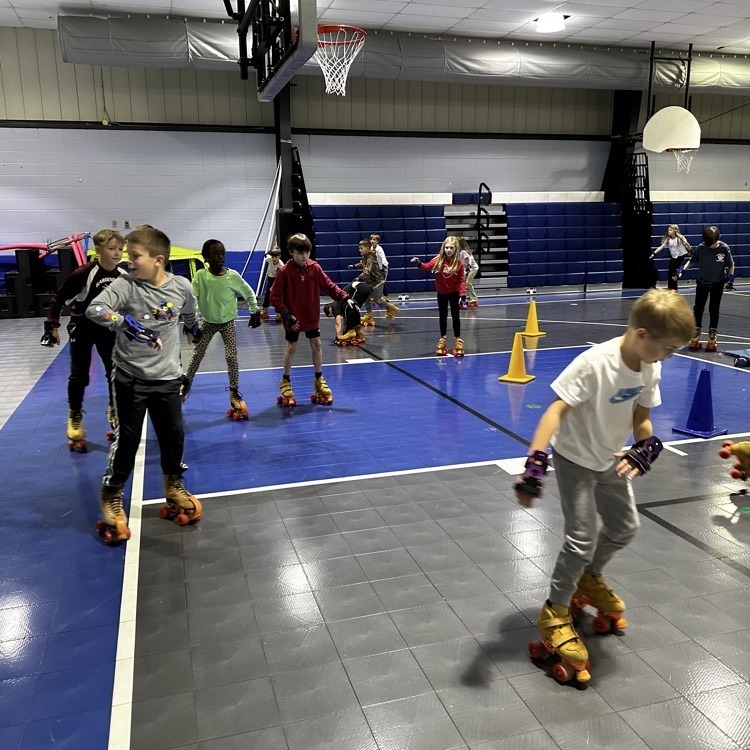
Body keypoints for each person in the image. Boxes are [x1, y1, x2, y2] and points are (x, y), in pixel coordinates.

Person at [515, 289, 694, 684]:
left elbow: (641, 416)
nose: (668, 357)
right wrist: (536, 461)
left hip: (611, 457)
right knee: (579, 538)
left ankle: (588, 578)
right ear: (642, 334)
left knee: (625, 527)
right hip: (575, 458)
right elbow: (554, 410)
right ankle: (555, 610)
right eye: (667, 349)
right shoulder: (595, 364)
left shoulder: (650, 366)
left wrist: (647, 443)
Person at [85, 227, 201, 544]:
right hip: (129, 379)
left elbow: (190, 312)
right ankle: (111, 492)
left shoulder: (181, 287)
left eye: (135, 256)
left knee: (173, 436)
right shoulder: (125, 285)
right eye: (127, 255)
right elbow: (93, 309)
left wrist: (193, 327)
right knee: (128, 440)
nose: (129, 261)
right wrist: (121, 321)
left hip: (166, 379)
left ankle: (173, 484)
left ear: (158, 260)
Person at [41, 228, 127, 450]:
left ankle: (115, 409)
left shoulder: (123, 276)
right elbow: (59, 297)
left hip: (108, 330)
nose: (117, 253)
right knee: (80, 375)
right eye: (111, 249)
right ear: (98, 251)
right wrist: (51, 325)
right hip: (82, 329)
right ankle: (75, 413)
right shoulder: (84, 273)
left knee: (115, 373)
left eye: (120, 249)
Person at [182, 239, 262, 420]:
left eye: (222, 253)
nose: (220, 257)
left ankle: (234, 392)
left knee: (231, 356)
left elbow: (248, 292)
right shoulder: (201, 276)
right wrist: (191, 323)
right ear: (206, 257)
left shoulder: (232, 276)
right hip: (208, 322)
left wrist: (254, 310)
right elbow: (192, 298)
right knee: (197, 354)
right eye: (215, 254)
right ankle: (185, 386)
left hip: (227, 323)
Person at [270, 233, 352, 406]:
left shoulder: (314, 268)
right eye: (300, 253)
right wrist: (285, 314)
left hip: (310, 315)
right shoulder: (284, 271)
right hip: (292, 318)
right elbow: (274, 296)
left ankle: (319, 379)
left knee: (317, 344)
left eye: (307, 252)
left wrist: (345, 297)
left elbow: (329, 286)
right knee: (292, 346)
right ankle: (285, 380)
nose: (304, 256)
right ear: (291, 252)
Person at [677, 226, 734, 352]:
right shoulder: (701, 248)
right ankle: (696, 332)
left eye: (712, 244)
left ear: (718, 239)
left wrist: (731, 279)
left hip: (717, 283)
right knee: (698, 308)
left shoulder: (724, 248)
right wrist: (682, 269)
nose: (710, 246)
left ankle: (712, 335)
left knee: (714, 308)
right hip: (702, 282)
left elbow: (731, 264)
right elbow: (691, 260)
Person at [411, 236, 466, 356]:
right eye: (447, 247)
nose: (449, 250)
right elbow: (426, 267)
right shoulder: (438, 260)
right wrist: (419, 263)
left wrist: (463, 295)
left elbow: (462, 280)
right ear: (443, 248)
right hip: (441, 293)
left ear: (455, 249)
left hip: (454, 293)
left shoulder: (459, 263)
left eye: (451, 248)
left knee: (455, 316)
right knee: (443, 316)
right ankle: (443, 338)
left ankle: (457, 339)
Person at [349, 239, 398, 325]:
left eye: (361, 248)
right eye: (359, 248)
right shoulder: (365, 257)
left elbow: (367, 270)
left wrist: (359, 277)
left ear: (367, 248)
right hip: (371, 282)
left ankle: (390, 307)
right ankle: (369, 314)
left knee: (377, 300)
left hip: (377, 282)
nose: (359, 250)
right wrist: (353, 266)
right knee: (366, 297)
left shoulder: (371, 257)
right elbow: (362, 264)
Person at [323, 280, 370, 346]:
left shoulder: (335, 306)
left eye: (331, 315)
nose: (334, 316)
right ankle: (358, 331)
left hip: (359, 288)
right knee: (353, 309)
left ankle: (350, 331)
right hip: (364, 288)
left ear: (330, 310)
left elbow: (338, 323)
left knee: (349, 307)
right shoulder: (340, 303)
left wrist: (338, 336)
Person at [649, 224, 691, 291]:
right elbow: (661, 246)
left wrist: (685, 243)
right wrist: (654, 253)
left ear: (675, 231)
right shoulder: (668, 239)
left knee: (674, 273)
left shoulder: (679, 238)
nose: (669, 231)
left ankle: (675, 287)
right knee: (670, 273)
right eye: (668, 230)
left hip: (681, 256)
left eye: (671, 230)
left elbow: (689, 247)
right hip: (674, 257)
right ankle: (671, 288)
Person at [261, 245, 285, 320]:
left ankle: (279, 311)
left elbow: (281, 276)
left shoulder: (281, 265)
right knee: (268, 293)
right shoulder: (269, 259)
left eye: (276, 257)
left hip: (277, 279)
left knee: (277, 295)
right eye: (273, 257)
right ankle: (264, 309)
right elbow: (265, 255)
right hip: (270, 278)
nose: (274, 259)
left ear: (279, 256)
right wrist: (272, 251)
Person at [458, 236, 479, 307]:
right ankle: (464, 298)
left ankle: (474, 298)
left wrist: (469, 266)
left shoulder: (464, 251)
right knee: (463, 283)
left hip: (473, 268)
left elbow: (469, 259)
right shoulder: (460, 252)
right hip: (467, 269)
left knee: (467, 282)